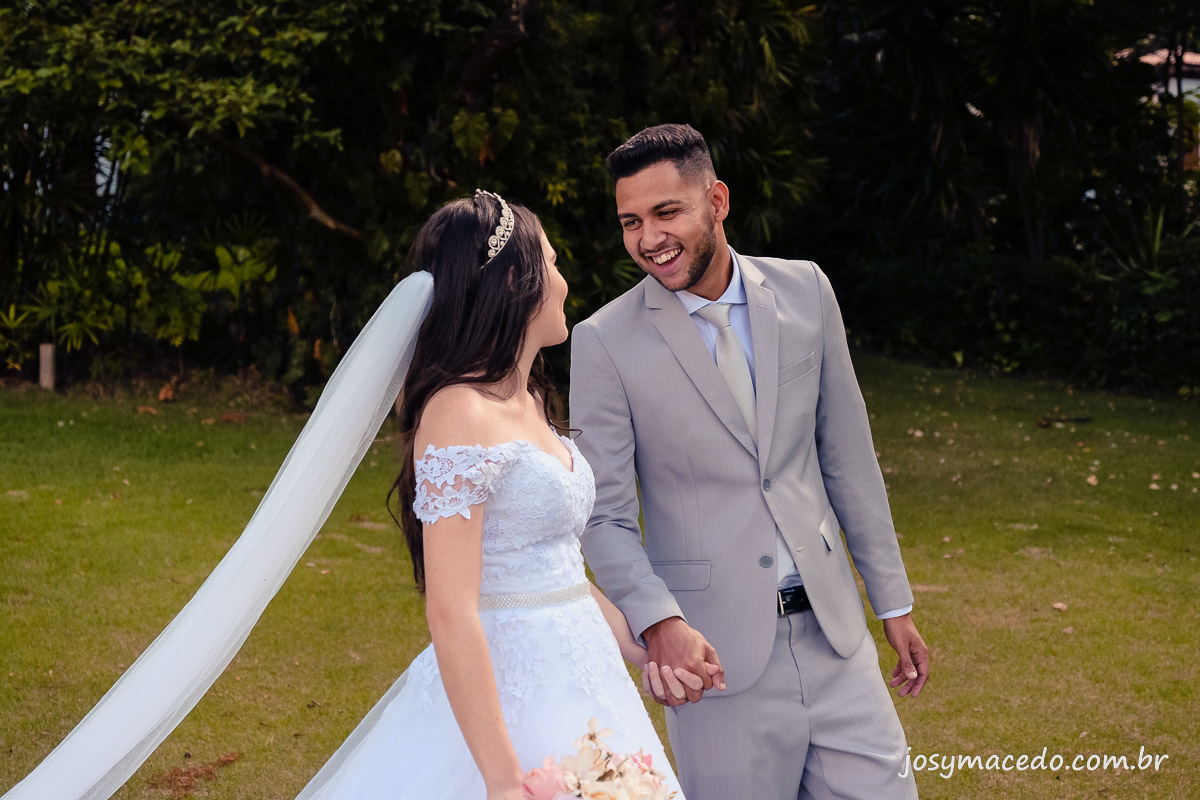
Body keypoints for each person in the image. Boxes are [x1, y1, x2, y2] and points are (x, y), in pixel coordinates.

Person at [2, 190, 698, 800]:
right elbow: (450, 609)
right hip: (503, 696)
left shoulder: (533, 402)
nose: (565, 281)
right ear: (515, 282)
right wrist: (503, 777)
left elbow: (556, 573)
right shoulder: (458, 412)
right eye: (552, 263)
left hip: (582, 682)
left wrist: (645, 650)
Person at [571, 124, 929, 800]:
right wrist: (660, 622)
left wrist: (893, 601)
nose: (648, 238)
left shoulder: (806, 290)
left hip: (836, 638)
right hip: (715, 659)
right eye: (631, 222)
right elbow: (604, 517)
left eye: (666, 212)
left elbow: (848, 457)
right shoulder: (604, 342)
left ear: (718, 201)